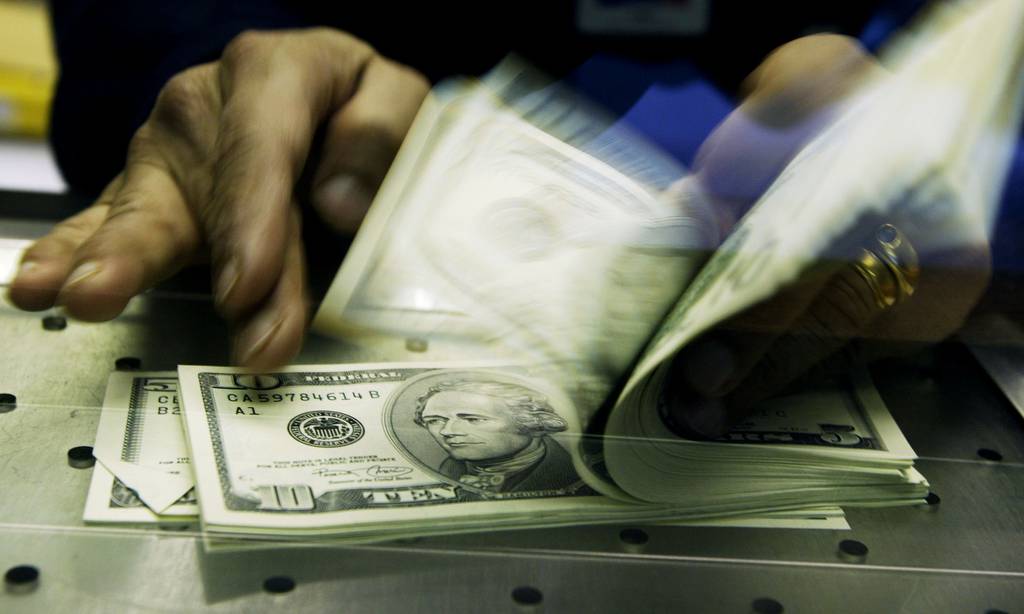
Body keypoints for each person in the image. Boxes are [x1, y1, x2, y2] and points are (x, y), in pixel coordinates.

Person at [5, 3, 993, 438]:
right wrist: (214, 83)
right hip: (324, 242)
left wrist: (926, 151)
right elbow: (135, 38)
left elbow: (946, 46)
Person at [414, 380, 584, 494]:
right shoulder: (444, 471)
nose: (447, 431)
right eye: (434, 420)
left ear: (532, 424)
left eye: (473, 419)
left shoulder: (577, 478)